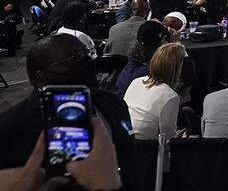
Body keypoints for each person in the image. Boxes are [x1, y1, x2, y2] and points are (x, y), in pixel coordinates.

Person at [0, 34, 135, 182]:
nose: (86, 61)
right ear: (40, 77)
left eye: (85, 52)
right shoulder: (9, 127)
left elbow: (129, 158)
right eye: (74, 57)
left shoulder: (113, 102)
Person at [124, 43, 187, 139]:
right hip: (146, 147)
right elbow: (167, 138)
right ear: (177, 68)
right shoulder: (170, 96)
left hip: (124, 138)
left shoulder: (136, 82)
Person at [114, 19, 172, 95]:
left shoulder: (133, 63)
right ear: (161, 43)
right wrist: (175, 46)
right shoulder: (152, 72)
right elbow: (187, 78)